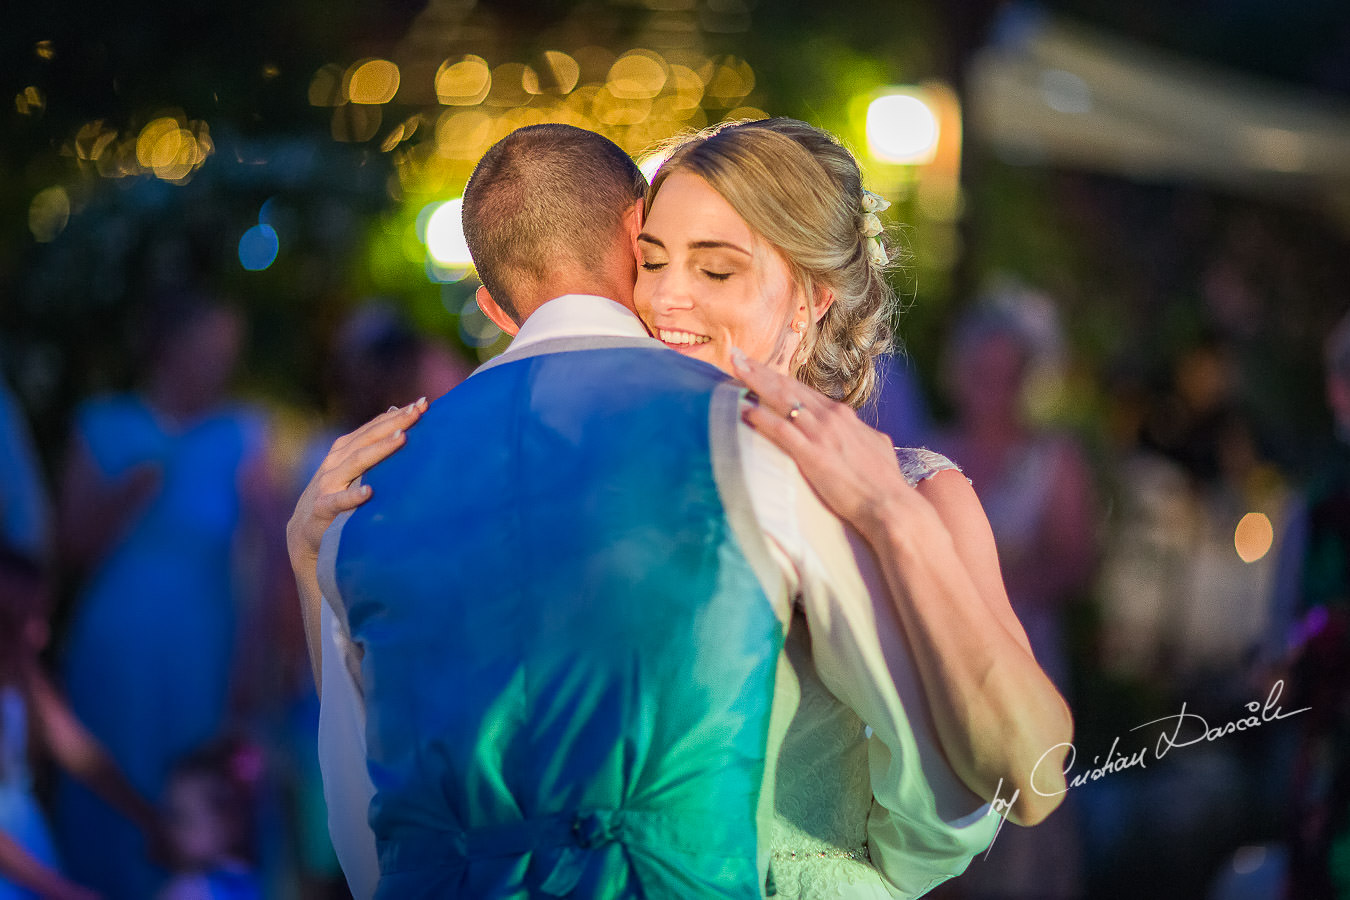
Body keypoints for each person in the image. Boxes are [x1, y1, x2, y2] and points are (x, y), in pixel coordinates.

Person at [289, 121, 1071, 898]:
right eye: (651, 259)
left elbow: (1013, 787)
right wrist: (311, 564)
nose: (666, 297)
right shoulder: (613, 490)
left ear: (808, 299)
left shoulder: (916, 489)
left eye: (717, 269)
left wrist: (888, 513)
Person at [55, 294, 273, 900]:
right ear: (168, 350)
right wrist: (128, 495)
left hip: (204, 638)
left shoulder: (242, 433)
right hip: (118, 640)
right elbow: (69, 546)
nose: (220, 365)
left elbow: (272, 554)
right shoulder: (104, 421)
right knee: (116, 776)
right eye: (209, 349)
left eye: (228, 353)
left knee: (199, 786)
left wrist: (258, 654)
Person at [928, 300, 1096, 899]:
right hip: (941, 657)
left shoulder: (1053, 461)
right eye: (983, 370)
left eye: (1007, 372)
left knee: (1017, 825)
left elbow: (1075, 560)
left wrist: (992, 589)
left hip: (1024, 652)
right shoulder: (928, 450)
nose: (993, 385)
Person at [0, 545, 163, 900]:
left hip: (25, 838)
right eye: (26, 619)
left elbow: (83, 757)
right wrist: (59, 889)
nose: (42, 635)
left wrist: (150, 819)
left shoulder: (24, 679)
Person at [158, 740, 262, 900]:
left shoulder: (191, 890)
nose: (171, 830)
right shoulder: (250, 880)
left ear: (227, 823)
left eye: (183, 819)